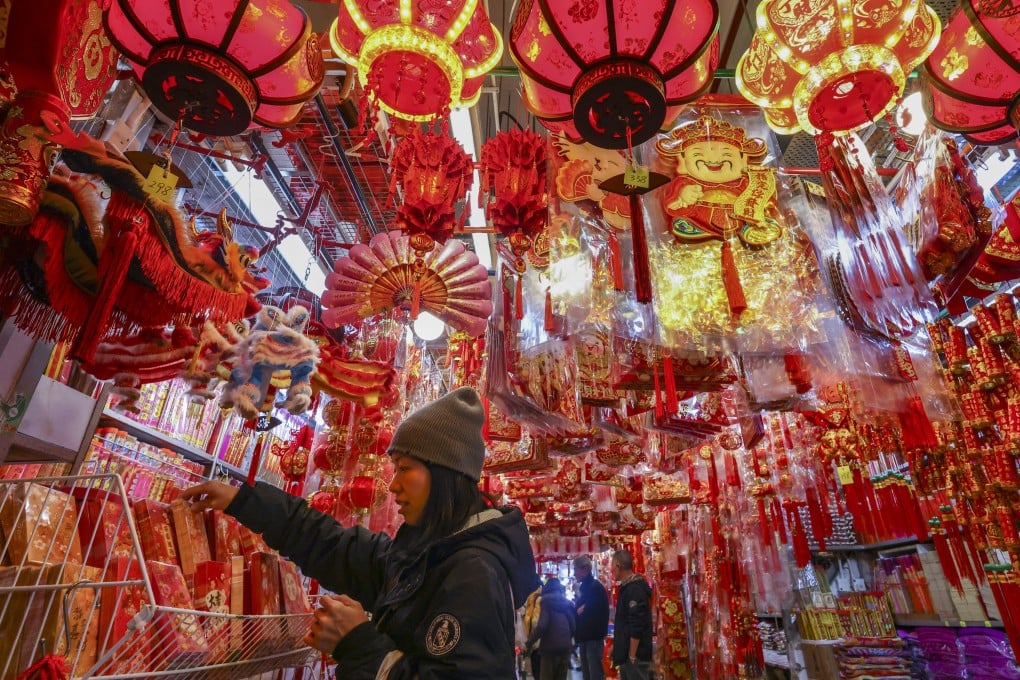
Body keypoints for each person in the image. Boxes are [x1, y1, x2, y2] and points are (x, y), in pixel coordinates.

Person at [181, 387, 539, 679]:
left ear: (445, 475)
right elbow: (333, 545)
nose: (393, 486)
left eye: (405, 469)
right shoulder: (423, 556)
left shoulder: (472, 572)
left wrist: (358, 642)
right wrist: (243, 500)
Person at [610, 549, 653, 680]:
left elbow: (637, 623)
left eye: (612, 565)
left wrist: (632, 654)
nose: (611, 570)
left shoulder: (635, 589)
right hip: (628, 653)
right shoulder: (627, 587)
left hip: (636, 655)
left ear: (618, 565)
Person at [525, 578, 575, 680]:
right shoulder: (566, 604)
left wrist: (529, 643)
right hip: (565, 648)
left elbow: (542, 626)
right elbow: (573, 626)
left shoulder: (546, 602)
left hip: (549, 649)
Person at [572, 555, 610, 680]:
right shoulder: (587, 587)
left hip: (593, 638)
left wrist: (580, 610)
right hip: (585, 637)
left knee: (595, 674)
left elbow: (589, 611)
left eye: (576, 569)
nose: (574, 573)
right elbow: (580, 610)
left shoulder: (595, 588)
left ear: (585, 568)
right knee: (588, 674)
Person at [522, 586, 543, 679]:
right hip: (545, 642)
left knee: (537, 670)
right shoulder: (536, 598)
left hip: (537, 642)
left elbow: (535, 622)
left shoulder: (536, 598)